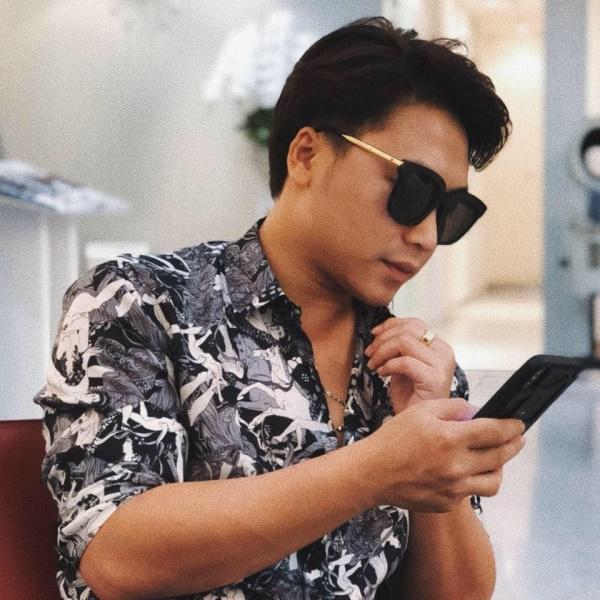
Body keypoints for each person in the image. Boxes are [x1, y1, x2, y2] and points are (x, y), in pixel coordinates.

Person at [35, 16, 525, 600]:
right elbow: (115, 556)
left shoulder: (410, 366)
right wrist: (375, 469)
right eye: (413, 190)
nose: (425, 236)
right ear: (307, 155)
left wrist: (434, 460)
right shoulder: (138, 303)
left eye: (451, 214)